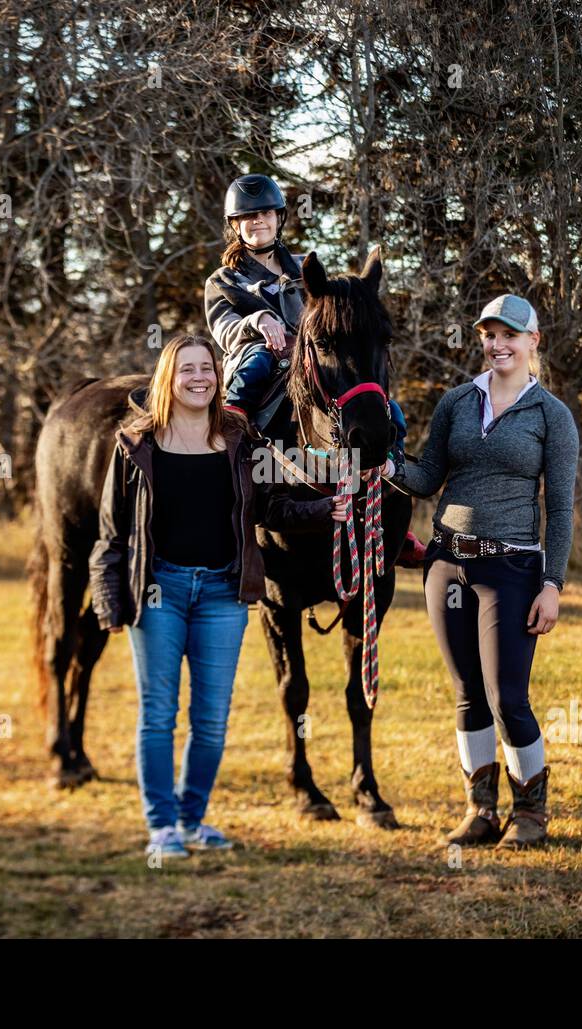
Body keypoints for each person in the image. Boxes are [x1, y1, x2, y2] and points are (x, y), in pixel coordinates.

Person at [89, 334, 348, 860]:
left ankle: (193, 819)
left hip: (223, 595)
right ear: (168, 377)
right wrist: (108, 602)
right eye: (187, 369)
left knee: (211, 718)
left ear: (218, 376)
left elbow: (272, 511)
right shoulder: (135, 443)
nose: (199, 378)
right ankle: (162, 827)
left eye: (207, 368)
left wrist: (326, 511)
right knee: (159, 713)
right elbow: (111, 533)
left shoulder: (239, 439)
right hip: (157, 589)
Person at [383, 294, 579, 849]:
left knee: (507, 696)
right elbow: (426, 477)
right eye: (489, 334)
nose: (498, 344)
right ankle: (481, 811)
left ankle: (531, 815)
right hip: (446, 564)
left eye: (509, 335)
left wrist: (552, 585)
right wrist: (386, 463)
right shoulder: (456, 402)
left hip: (512, 567)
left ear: (532, 341)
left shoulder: (551, 416)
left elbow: (560, 509)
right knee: (467, 692)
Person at [204, 172, 425, 564]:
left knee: (382, 406)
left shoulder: (303, 266)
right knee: (257, 362)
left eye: (266, 214)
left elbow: (332, 313)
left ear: (279, 218)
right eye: (248, 218)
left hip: (306, 361)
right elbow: (222, 328)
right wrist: (258, 323)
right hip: (258, 358)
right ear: (235, 226)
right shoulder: (224, 280)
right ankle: (233, 437)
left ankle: (391, 486)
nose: (258, 222)